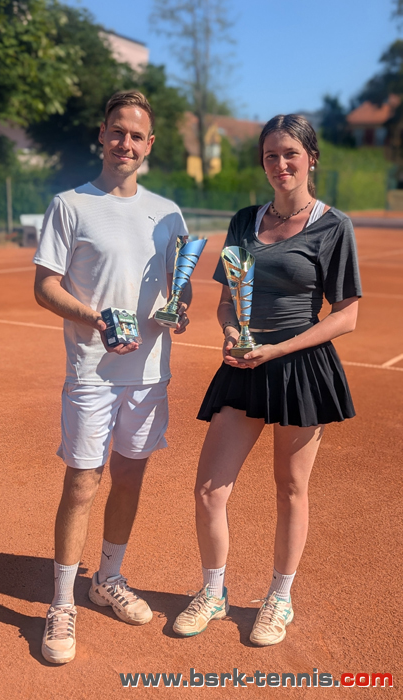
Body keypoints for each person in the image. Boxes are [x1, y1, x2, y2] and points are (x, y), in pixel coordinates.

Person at [173, 114, 362, 646]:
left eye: (290, 153)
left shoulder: (334, 226)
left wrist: (279, 348)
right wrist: (231, 331)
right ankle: (214, 592)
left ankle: (279, 597)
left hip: (300, 367)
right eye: (271, 155)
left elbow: (346, 315)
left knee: (291, 488)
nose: (280, 164)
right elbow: (226, 302)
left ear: (311, 158)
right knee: (209, 489)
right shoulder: (244, 222)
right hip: (244, 366)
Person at [33, 91, 191, 664]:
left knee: (129, 477)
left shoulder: (168, 213)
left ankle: (107, 579)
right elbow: (45, 286)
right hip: (91, 372)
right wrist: (95, 318)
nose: (126, 143)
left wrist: (179, 309)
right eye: (117, 131)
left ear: (150, 145)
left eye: (137, 136)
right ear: (102, 135)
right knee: (82, 482)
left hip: (149, 374)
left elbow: (180, 288)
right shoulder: (70, 204)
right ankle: (61, 603)